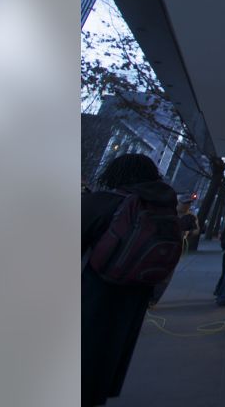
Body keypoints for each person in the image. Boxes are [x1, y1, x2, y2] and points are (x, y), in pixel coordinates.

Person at [83, 154, 180, 406]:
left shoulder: (102, 202)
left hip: (92, 291)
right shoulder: (164, 209)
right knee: (105, 357)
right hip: (134, 297)